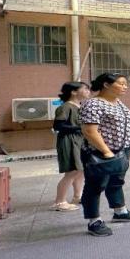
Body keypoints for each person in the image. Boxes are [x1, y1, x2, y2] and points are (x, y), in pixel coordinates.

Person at [79, 73, 130, 237]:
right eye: (121, 83)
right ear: (106, 85)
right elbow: (89, 131)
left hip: (121, 151)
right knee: (95, 186)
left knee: (116, 182)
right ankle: (94, 221)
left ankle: (120, 212)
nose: (125, 87)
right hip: (101, 153)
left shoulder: (117, 102)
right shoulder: (93, 104)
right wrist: (106, 151)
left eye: (126, 84)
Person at [52, 81, 90, 211]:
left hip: (79, 141)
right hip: (69, 141)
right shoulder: (66, 107)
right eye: (85, 89)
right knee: (72, 171)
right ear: (73, 92)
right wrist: (80, 128)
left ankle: (77, 196)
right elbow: (58, 126)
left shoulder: (80, 106)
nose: (88, 92)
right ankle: (60, 202)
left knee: (80, 170)